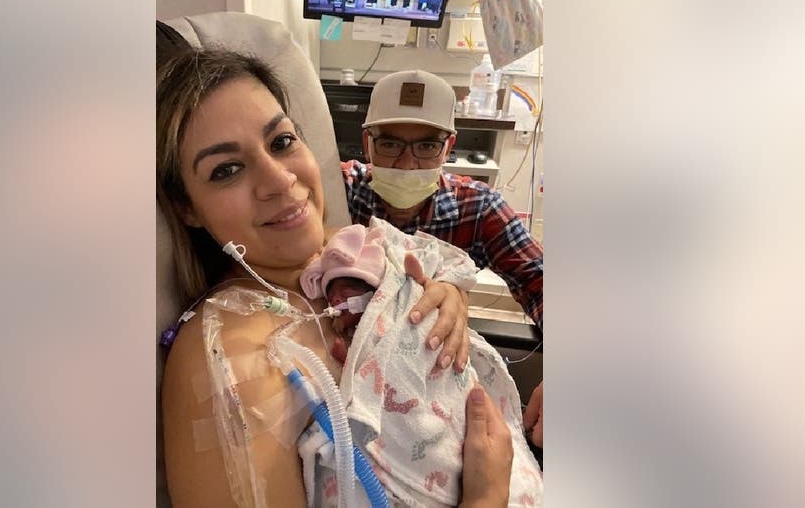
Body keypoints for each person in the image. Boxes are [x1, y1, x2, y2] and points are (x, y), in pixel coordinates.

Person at [157, 46, 515, 507]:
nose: (280, 180)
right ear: (187, 207)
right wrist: (488, 498)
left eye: (282, 142)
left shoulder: (357, 247)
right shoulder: (226, 358)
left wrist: (447, 297)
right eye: (226, 170)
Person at [341, 68, 545, 448]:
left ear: (448, 146)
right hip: (350, 383)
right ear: (367, 142)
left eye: (425, 146)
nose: (406, 164)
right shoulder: (340, 194)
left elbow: (545, 282)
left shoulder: (478, 209)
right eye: (389, 145)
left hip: (434, 392)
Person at [298, 219, 542, 507]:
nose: (406, 171)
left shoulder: (367, 241)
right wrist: (486, 499)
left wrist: (453, 290)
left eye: (349, 289)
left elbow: (459, 265)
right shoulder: (346, 199)